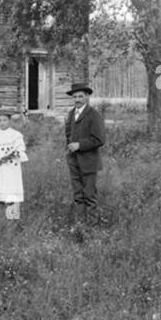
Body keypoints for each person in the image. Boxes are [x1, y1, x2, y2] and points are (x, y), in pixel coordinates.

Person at [64, 82, 106, 226]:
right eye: (75, 96)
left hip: (89, 161)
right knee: (78, 195)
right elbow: (68, 135)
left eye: (80, 96)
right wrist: (69, 150)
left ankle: (92, 227)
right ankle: (80, 226)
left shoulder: (93, 115)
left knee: (89, 195)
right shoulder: (70, 114)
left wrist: (80, 145)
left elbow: (99, 139)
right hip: (73, 160)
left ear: (87, 97)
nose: (77, 99)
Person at [0, 110, 28, 221]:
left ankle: (12, 217)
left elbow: (20, 150)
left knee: (11, 193)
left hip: (11, 168)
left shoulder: (15, 135)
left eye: (5, 120)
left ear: (9, 121)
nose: (2, 123)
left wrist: (8, 157)